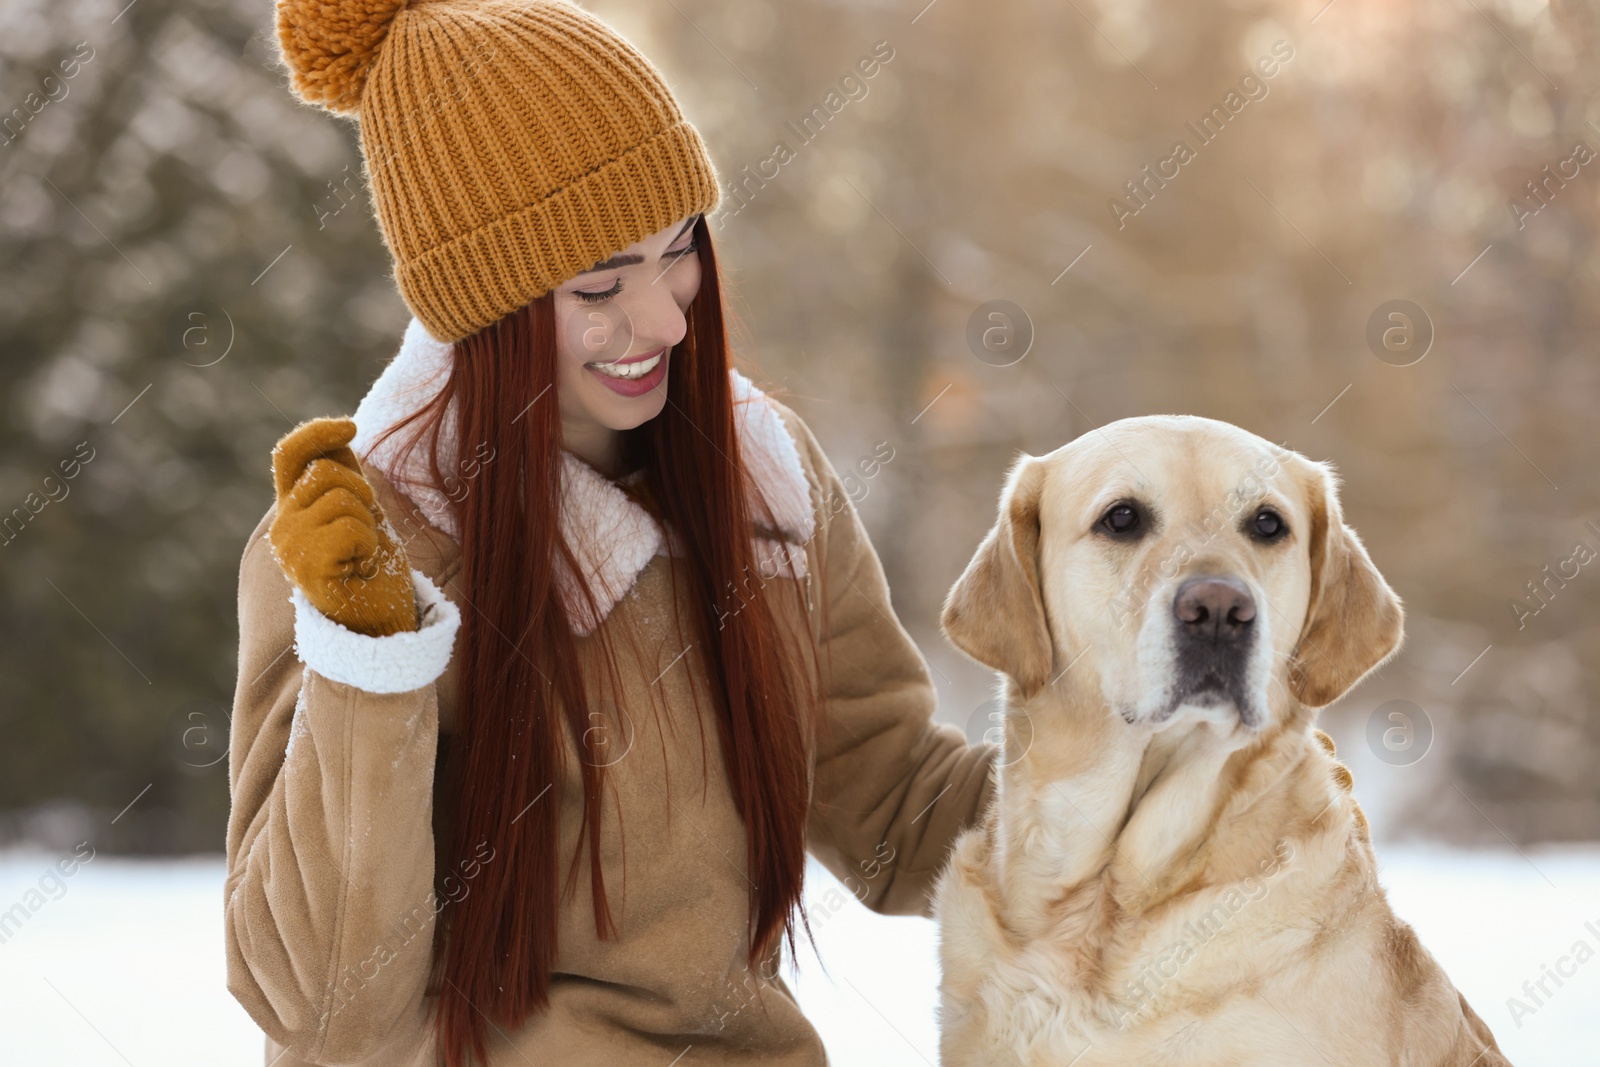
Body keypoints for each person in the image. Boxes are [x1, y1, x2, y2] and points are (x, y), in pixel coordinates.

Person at [226, 2, 998, 1065]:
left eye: (677, 251)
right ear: (485, 308)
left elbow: (900, 808)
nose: (669, 319)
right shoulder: (369, 542)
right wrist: (369, 663)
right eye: (599, 286)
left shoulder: (762, 478)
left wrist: (1153, 794)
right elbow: (323, 1009)